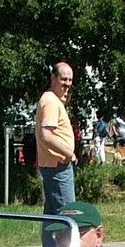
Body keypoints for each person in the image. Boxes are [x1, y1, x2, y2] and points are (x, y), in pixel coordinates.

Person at [36, 61, 77, 220]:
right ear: (53, 77)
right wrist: (68, 153)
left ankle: (51, 246)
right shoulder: (51, 101)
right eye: (63, 79)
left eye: (70, 80)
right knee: (68, 216)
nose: (67, 84)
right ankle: (68, 245)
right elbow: (47, 135)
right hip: (58, 165)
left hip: (52, 165)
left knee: (52, 217)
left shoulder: (52, 99)